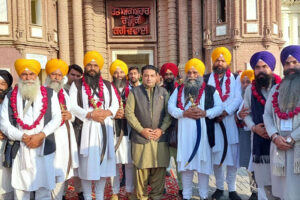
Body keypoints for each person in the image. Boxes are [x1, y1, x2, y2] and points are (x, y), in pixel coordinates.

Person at [0, 59, 62, 199]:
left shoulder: (50, 94)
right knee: (22, 191)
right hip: (21, 146)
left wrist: (41, 135)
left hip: (44, 144)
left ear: (37, 75)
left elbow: (57, 118)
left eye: (31, 74)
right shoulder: (10, 96)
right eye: (24, 74)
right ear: (19, 76)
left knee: (44, 189)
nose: (28, 78)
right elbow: (4, 123)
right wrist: (23, 137)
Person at [168, 58, 223, 200]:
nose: (192, 76)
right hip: (184, 136)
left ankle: (204, 196)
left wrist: (205, 113)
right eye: (189, 73)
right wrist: (183, 113)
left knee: (203, 168)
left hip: (203, 136)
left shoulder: (211, 90)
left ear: (201, 74)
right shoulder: (179, 89)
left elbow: (219, 107)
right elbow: (170, 107)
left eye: (195, 73)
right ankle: (186, 196)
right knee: (186, 169)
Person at [69, 51, 119, 200]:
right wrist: (90, 114)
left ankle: (99, 196)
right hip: (86, 130)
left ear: (100, 68)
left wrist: (107, 112)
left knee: (103, 166)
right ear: (85, 66)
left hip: (105, 128)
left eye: (95, 65)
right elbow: (71, 105)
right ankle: (87, 196)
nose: (92, 68)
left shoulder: (108, 85)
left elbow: (116, 103)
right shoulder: (77, 85)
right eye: (89, 65)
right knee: (86, 167)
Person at [125, 65, 171, 200]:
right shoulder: (135, 92)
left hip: (159, 138)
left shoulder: (163, 92)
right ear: (141, 77)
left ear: (157, 77)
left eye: (152, 75)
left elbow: (169, 114)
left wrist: (161, 130)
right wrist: (141, 130)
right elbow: (129, 113)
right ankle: (141, 197)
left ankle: (156, 196)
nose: (149, 78)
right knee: (141, 170)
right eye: (146, 75)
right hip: (141, 138)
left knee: (159, 168)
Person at [241, 52, 282, 200]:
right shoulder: (249, 91)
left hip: (280, 142)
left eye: (264, 66)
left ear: (271, 68)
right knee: (264, 184)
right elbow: (246, 114)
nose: (261, 70)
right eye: (257, 67)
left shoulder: (282, 87)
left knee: (281, 183)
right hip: (259, 141)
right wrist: (254, 128)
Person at [205, 47, 243, 200]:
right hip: (214, 123)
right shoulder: (206, 78)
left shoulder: (236, 77)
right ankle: (220, 187)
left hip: (229, 121)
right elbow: (205, 98)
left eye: (223, 60)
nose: (220, 63)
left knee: (232, 158)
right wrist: (215, 112)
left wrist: (225, 112)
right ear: (213, 62)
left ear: (227, 62)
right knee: (217, 157)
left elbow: (238, 98)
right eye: (217, 60)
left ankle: (232, 189)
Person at [263, 45, 300, 200]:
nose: (290, 66)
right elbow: (267, 115)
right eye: (287, 63)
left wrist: (292, 138)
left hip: (297, 145)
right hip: (279, 146)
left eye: (294, 62)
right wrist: (275, 136)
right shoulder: (276, 89)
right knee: (284, 192)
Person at [44, 59, 79, 200]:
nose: (57, 78)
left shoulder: (65, 93)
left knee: (62, 168)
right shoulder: (41, 92)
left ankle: (58, 196)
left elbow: (73, 115)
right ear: (48, 75)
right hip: (48, 135)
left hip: (65, 135)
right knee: (48, 169)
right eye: (54, 74)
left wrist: (70, 116)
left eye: (59, 75)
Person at [109, 59, 134, 200]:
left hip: (129, 130)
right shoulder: (107, 89)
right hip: (113, 129)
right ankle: (115, 191)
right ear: (112, 74)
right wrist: (114, 114)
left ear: (125, 74)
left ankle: (129, 190)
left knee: (129, 162)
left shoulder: (132, 90)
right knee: (114, 162)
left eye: (121, 72)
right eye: (116, 72)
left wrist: (128, 113)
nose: (119, 75)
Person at [160, 62, 182, 196]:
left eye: (170, 74)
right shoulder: (159, 90)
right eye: (166, 74)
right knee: (161, 163)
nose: (168, 77)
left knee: (179, 162)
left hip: (176, 131)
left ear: (175, 75)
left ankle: (182, 187)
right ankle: (161, 186)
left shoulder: (181, 90)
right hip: (162, 132)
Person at [236, 69, 259, 200]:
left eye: (248, 82)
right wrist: (239, 115)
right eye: (243, 83)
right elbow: (239, 114)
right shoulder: (243, 98)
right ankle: (253, 191)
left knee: (256, 164)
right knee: (249, 166)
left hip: (257, 135)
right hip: (245, 135)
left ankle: (258, 192)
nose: (245, 85)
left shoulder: (257, 96)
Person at [0, 70, 13, 200]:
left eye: (3, 83)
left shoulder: (13, 102)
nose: (0, 87)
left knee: (7, 183)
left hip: (9, 145)